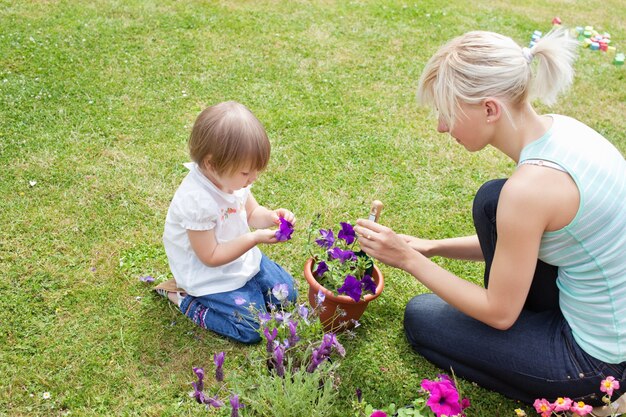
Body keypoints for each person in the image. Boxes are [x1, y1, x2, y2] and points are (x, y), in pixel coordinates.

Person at [354, 28, 626, 412]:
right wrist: (432, 248)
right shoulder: (562, 131)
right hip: (608, 320)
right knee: (491, 201)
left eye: (447, 113)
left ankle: (593, 397)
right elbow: (523, 238)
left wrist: (408, 259)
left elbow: (499, 314)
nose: (441, 127)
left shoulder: (530, 188)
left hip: (598, 364)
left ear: (489, 109)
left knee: (422, 318)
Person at [159, 100, 297, 344]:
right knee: (253, 328)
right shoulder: (197, 201)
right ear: (212, 164)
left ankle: (248, 287)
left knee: (288, 296)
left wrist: (273, 216)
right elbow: (210, 257)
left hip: (240, 259)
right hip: (209, 277)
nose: (252, 178)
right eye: (246, 173)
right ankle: (185, 299)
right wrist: (254, 238)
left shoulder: (233, 182)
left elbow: (253, 213)